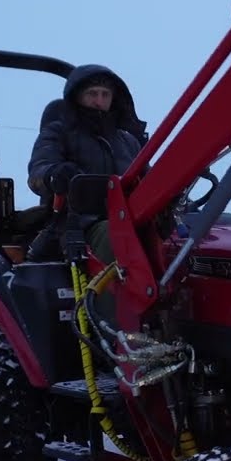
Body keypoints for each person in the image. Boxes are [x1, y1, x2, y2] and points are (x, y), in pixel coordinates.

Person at [26, 64, 148, 317]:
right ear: (77, 97)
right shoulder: (59, 133)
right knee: (116, 237)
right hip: (77, 223)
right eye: (92, 93)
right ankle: (117, 333)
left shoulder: (129, 140)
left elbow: (148, 176)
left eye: (105, 94)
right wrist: (53, 174)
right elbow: (39, 170)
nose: (99, 101)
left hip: (133, 216)